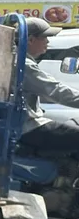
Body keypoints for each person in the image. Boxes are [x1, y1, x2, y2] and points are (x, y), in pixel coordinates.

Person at [19, 16, 79, 152]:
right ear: (30, 40)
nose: (47, 41)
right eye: (44, 37)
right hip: (28, 128)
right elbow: (55, 91)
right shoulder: (24, 65)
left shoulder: (20, 60)